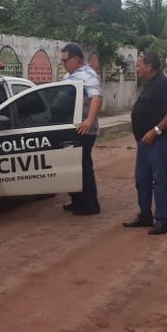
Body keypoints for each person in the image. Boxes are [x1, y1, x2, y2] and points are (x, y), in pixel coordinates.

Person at [122, 52, 167, 235]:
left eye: (139, 65)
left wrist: (156, 131)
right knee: (142, 181)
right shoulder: (150, 84)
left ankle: (163, 221)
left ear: (149, 66)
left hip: (158, 142)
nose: (137, 68)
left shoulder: (162, 84)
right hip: (144, 144)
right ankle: (145, 215)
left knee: (159, 181)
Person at [60, 42, 103, 215]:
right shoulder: (68, 77)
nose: (63, 64)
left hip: (84, 129)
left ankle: (90, 203)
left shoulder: (88, 75)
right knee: (73, 166)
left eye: (65, 60)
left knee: (83, 165)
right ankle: (77, 200)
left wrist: (89, 121)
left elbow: (96, 98)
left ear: (76, 59)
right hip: (71, 128)